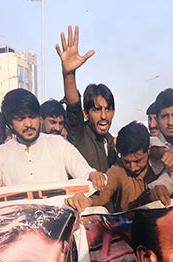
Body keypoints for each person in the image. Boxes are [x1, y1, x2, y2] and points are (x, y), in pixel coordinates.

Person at [0, 89, 106, 193]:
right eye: (20, 119)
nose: (28, 124)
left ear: (40, 118)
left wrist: (93, 176)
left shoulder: (58, 144)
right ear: (10, 124)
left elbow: (84, 171)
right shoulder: (1, 155)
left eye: (32, 117)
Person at [57, 25, 117, 172]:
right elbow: (73, 105)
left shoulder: (112, 143)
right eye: (97, 110)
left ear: (113, 112)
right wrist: (69, 74)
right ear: (85, 113)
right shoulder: (79, 134)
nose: (103, 116)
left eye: (107, 109)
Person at [66, 122, 158, 213]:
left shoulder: (160, 163)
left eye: (138, 161)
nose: (133, 167)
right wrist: (88, 201)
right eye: (127, 162)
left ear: (149, 150)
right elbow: (104, 192)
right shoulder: (118, 169)